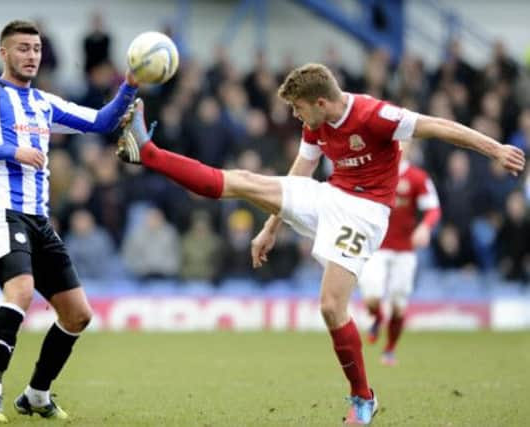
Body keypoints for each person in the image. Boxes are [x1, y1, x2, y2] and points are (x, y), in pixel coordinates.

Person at [117, 63, 525, 425]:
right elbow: (302, 170)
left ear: (321, 102)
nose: (296, 116)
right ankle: (148, 153)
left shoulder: (374, 114)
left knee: (331, 306)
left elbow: (438, 125)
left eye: (299, 108)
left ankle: (363, 397)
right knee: (242, 181)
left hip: (366, 214)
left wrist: (494, 149)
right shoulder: (314, 121)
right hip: (328, 196)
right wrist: (272, 227)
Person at [0, 20, 138, 423]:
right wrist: (12, 152)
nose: (31, 55)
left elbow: (101, 122)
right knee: (21, 290)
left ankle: (35, 394)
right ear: (4, 53)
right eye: (22, 48)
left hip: (38, 218)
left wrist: (130, 86)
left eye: (35, 49)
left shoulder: (44, 104)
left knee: (77, 314)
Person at [358, 143, 442, 366]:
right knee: (372, 295)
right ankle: (377, 317)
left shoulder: (417, 177)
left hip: (404, 250)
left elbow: (433, 208)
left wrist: (425, 227)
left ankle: (390, 348)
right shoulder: (373, 172)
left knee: (398, 305)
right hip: (376, 247)